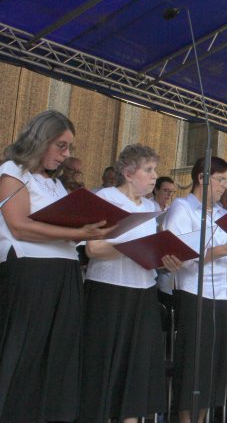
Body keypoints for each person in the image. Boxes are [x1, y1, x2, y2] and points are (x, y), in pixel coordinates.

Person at [0, 110, 114, 423]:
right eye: (61, 146)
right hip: (30, 271)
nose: (66, 155)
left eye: (69, 148)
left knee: (58, 353)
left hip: (64, 272)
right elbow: (19, 225)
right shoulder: (14, 170)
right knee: (26, 351)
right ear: (41, 140)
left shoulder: (55, 184)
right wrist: (79, 233)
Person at [81, 144, 183, 423]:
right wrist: (136, 249)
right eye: (148, 170)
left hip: (143, 293)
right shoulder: (106, 198)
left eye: (155, 170)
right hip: (109, 291)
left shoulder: (151, 207)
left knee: (137, 367)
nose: (154, 177)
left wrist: (166, 258)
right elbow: (93, 250)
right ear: (127, 172)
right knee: (104, 366)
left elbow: (154, 253)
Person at [165, 156, 227, 423]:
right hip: (195, 294)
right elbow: (179, 256)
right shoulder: (182, 208)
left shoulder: (223, 215)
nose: (225, 186)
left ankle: (203, 419)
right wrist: (223, 249)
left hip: (225, 294)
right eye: (220, 179)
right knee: (194, 364)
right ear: (202, 177)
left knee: (215, 366)